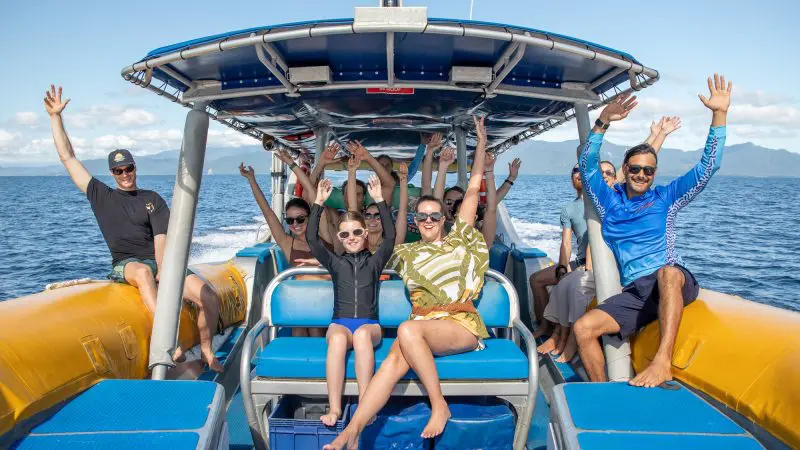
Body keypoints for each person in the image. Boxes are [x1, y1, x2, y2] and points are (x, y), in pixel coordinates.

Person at [324, 116, 490, 449]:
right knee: (394, 360)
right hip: (423, 328)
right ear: (416, 220)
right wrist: (355, 177)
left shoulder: (461, 239)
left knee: (407, 331)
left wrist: (482, 144)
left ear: (444, 218)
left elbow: (472, 190)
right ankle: (352, 431)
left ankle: (438, 404)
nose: (428, 220)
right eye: (422, 216)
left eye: (434, 215)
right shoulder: (406, 253)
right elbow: (356, 225)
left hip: (459, 323)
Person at [44, 85, 223, 372]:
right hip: (126, 264)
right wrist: (56, 117)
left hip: (157, 261)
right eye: (118, 171)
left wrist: (165, 270)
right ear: (111, 174)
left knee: (208, 296)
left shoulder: (151, 199)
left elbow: (162, 238)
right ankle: (170, 342)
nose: (124, 175)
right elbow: (68, 158)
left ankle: (206, 349)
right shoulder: (100, 195)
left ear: (135, 168)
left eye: (128, 169)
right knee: (141, 272)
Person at [574, 74, 731, 388]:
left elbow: (707, 167)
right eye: (635, 168)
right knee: (583, 328)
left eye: (648, 170)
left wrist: (719, 115)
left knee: (668, 272)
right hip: (636, 291)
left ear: (654, 173)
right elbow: (587, 163)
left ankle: (662, 361)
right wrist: (603, 120)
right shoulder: (609, 201)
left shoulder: (666, 198)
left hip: (670, 281)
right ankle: (605, 392)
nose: (641, 174)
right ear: (626, 169)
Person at [307, 175, 396, 427]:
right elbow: (313, 240)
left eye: (357, 232)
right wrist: (318, 204)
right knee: (336, 338)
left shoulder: (375, 261)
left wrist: (379, 199)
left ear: (365, 233)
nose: (352, 237)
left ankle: (366, 404)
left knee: (361, 336)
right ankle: (334, 408)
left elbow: (390, 237)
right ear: (340, 237)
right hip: (340, 324)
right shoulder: (335, 262)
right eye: (345, 234)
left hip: (369, 325)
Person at [239, 160, 330, 337]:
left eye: (300, 219)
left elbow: (312, 194)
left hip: (325, 299)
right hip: (300, 302)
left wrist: (290, 162)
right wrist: (252, 180)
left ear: (311, 217)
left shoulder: (325, 236)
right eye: (290, 221)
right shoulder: (288, 243)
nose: (295, 224)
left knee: (315, 327)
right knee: (298, 328)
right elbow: (267, 212)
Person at [541, 161, 617, 362]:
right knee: (563, 283)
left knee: (577, 286)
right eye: (601, 173)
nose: (606, 176)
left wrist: (656, 136)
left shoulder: (613, 201)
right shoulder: (572, 207)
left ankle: (570, 340)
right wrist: (562, 268)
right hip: (586, 262)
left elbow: (597, 237)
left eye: (610, 173)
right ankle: (558, 334)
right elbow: (567, 243)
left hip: (607, 265)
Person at [529, 164, 589, 340]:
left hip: (596, 264)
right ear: (572, 179)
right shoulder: (568, 209)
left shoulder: (604, 202)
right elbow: (566, 244)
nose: (579, 173)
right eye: (575, 171)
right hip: (580, 261)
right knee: (536, 280)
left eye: (584, 169)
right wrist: (562, 271)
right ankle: (545, 327)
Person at [364, 163, 409, 252]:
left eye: (377, 216)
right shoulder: (357, 243)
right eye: (368, 216)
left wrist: (403, 180)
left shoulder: (392, 244)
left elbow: (403, 210)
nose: (371, 219)